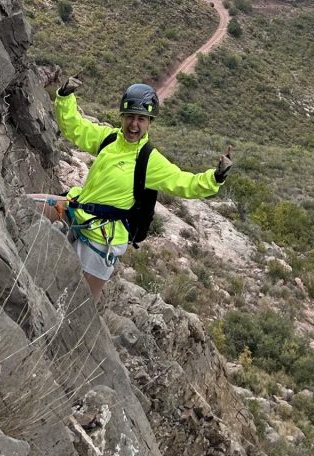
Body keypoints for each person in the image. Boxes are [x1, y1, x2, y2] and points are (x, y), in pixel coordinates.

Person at [50, 77, 233, 302]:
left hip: (102, 237)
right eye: (129, 117)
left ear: (149, 123)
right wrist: (66, 96)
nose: (134, 124)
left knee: (79, 307)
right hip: (76, 210)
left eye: (141, 119)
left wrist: (215, 178)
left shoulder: (149, 159)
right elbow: (75, 128)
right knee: (22, 209)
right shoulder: (109, 139)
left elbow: (184, 182)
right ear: (122, 117)